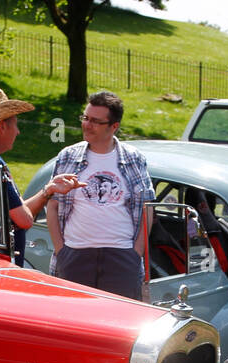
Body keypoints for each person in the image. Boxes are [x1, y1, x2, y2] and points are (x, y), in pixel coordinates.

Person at [0, 88, 82, 266]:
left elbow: (18, 211)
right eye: (16, 124)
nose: (18, 132)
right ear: (2, 126)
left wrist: (49, 189)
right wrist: (46, 193)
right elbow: (24, 219)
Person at [46, 90, 154, 300]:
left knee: (120, 325)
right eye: (85, 118)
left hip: (121, 257)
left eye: (95, 121)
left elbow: (146, 209)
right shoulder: (68, 156)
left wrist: (136, 253)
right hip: (75, 254)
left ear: (114, 126)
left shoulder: (134, 158)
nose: (87, 125)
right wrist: (62, 251)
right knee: (73, 324)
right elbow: (52, 205)